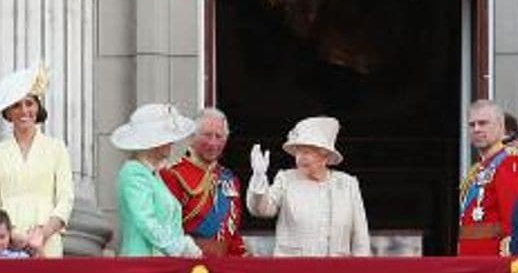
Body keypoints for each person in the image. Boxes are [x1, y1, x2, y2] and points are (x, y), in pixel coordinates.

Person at [0, 66, 74, 257]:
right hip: (5, 242)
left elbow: (66, 198)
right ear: (8, 113)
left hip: (47, 238)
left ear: (37, 107)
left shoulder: (57, 148)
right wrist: (11, 234)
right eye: (16, 105)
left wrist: (44, 233)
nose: (24, 110)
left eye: (29, 103)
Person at [247, 115, 373, 256]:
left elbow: (360, 237)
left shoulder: (347, 184)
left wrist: (362, 271)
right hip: (294, 270)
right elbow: (262, 209)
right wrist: (259, 178)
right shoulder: (286, 179)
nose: (300, 158)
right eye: (297, 152)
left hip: (336, 271)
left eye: (306, 152)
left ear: (324, 156)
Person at [112, 103, 204, 258]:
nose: (172, 142)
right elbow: (146, 222)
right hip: (141, 264)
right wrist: (179, 248)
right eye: (166, 137)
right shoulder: (133, 173)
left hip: (162, 265)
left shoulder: (154, 174)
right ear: (152, 141)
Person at [159, 108, 247, 257]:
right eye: (207, 135)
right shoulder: (172, 175)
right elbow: (165, 232)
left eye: (219, 136)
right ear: (191, 136)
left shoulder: (230, 180)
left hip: (227, 267)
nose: (213, 143)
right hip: (189, 265)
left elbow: (232, 234)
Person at [458, 100, 518, 256]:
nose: (476, 129)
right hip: (472, 262)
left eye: (483, 123)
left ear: (500, 126)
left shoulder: (511, 163)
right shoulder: (480, 168)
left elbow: (515, 220)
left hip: (494, 264)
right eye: (472, 125)